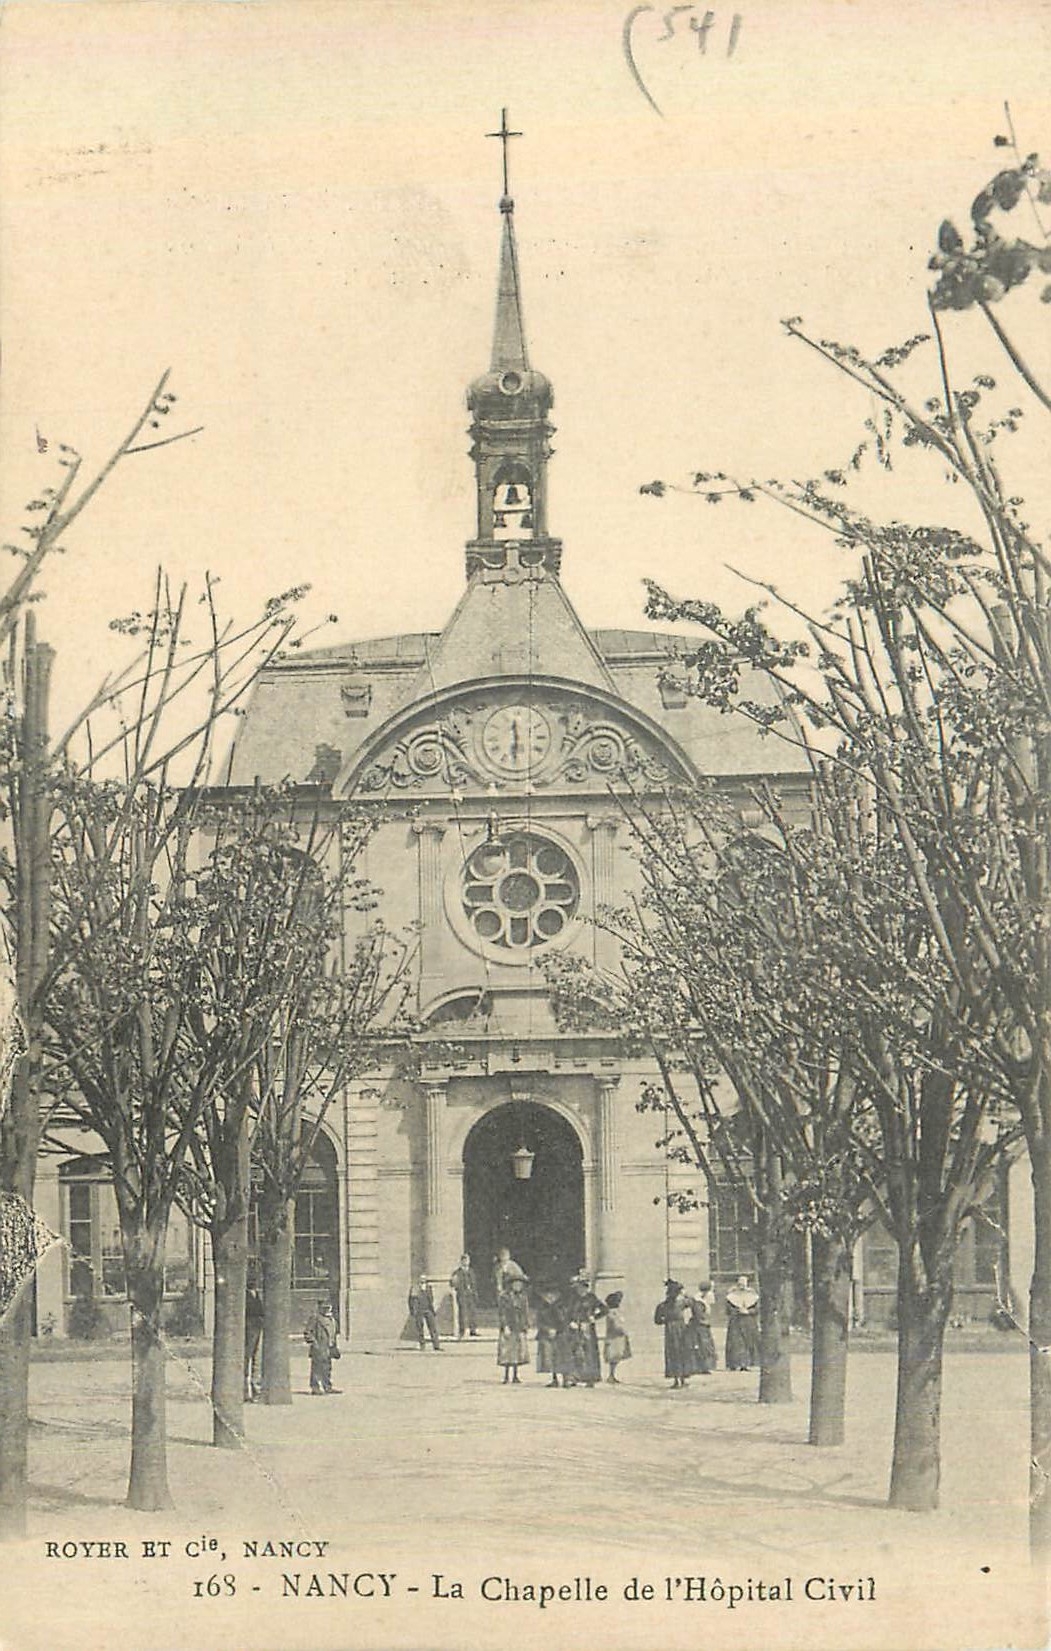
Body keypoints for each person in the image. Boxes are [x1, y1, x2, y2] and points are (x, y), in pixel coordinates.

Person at [566, 1273, 606, 1388]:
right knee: (575, 1351)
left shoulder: (591, 1298)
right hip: (575, 1328)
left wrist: (594, 1317)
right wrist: (570, 1322)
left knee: (589, 1353)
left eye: (583, 1286)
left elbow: (604, 1309)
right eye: (579, 1287)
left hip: (588, 1328)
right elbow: (567, 1312)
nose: (581, 1289)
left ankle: (590, 1378)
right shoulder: (573, 1299)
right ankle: (574, 1377)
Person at [655, 1279, 693, 1388]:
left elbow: (657, 1321)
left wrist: (666, 1320)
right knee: (682, 1353)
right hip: (681, 1329)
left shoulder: (662, 1305)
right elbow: (692, 1301)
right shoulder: (681, 1303)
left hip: (670, 1330)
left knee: (672, 1353)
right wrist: (684, 1293)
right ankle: (683, 1379)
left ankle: (676, 1380)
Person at [535, 1284, 571, 1389]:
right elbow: (539, 1322)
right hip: (547, 1334)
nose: (550, 1297)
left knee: (563, 1356)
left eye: (553, 1295)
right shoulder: (542, 1308)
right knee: (550, 1356)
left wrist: (558, 1329)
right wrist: (547, 1329)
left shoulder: (561, 1307)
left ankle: (566, 1379)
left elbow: (565, 1320)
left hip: (561, 1333)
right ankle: (554, 1378)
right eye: (547, 1295)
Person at [497, 1276, 530, 1383]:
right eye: (515, 1284)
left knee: (517, 1352)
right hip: (509, 1326)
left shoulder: (523, 1297)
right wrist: (505, 1325)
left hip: (518, 1326)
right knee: (507, 1352)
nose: (518, 1286)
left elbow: (525, 1312)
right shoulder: (504, 1297)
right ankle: (506, 1376)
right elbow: (502, 1313)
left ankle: (515, 1375)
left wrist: (525, 1326)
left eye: (520, 1284)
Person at [303, 1296, 340, 1395]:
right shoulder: (315, 1318)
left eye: (328, 1307)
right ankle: (315, 1387)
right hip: (319, 1347)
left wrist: (334, 1346)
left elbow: (333, 1334)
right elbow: (307, 1332)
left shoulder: (332, 1320)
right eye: (325, 1307)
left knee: (327, 1368)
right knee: (316, 1368)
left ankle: (327, 1386)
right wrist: (314, 1343)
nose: (327, 1309)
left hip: (329, 1347)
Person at [725, 1274, 761, 1371]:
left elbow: (757, 1309)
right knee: (735, 1343)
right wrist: (737, 1311)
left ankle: (746, 1364)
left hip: (749, 1322)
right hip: (735, 1322)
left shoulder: (753, 1295)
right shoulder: (731, 1296)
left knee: (748, 1342)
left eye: (743, 1283)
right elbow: (728, 1310)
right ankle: (734, 1364)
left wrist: (748, 1311)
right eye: (740, 1284)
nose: (742, 1286)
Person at [686, 1282, 717, 1375]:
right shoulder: (698, 1302)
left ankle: (705, 1367)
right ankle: (700, 1367)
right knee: (702, 1346)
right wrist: (704, 1321)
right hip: (699, 1327)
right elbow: (698, 1316)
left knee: (705, 1347)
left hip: (703, 1326)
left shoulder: (703, 1301)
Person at [603, 1290, 632, 1384]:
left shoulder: (616, 1312)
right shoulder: (612, 1313)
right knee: (614, 1357)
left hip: (617, 1337)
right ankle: (611, 1375)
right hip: (614, 1337)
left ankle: (612, 1375)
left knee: (616, 1357)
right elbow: (615, 1325)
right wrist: (623, 1331)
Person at [449, 1253, 479, 1338]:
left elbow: (474, 1283)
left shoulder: (471, 1271)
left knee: (472, 1312)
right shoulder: (457, 1272)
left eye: (467, 1260)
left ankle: (473, 1329)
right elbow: (453, 1283)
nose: (466, 1262)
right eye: (464, 1260)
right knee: (463, 1312)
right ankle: (464, 1329)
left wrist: (474, 1292)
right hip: (462, 1295)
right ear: (461, 1261)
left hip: (471, 1295)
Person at [408, 1275, 442, 1350]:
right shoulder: (415, 1288)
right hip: (419, 1310)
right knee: (420, 1328)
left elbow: (431, 1298)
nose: (423, 1281)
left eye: (424, 1279)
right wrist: (412, 1310)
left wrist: (432, 1308)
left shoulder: (428, 1288)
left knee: (433, 1327)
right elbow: (410, 1300)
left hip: (428, 1309)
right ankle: (422, 1344)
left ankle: (436, 1345)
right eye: (421, 1279)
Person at [244, 1283, 265, 1401]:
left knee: (257, 1360)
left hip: (258, 1327)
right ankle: (245, 1392)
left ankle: (256, 1389)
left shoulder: (257, 1294)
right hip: (248, 1329)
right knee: (246, 1359)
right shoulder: (244, 1295)